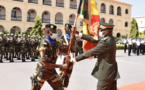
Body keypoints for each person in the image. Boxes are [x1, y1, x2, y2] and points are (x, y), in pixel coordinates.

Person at [67, 22, 120, 90]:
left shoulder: (105, 43)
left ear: (106, 31)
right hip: (112, 72)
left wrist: (73, 59)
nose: (100, 32)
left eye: (101, 30)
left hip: (105, 74)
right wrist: (78, 33)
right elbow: (93, 39)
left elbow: (89, 53)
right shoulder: (110, 38)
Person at [31, 24, 75, 90]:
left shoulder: (55, 41)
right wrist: (61, 66)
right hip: (43, 72)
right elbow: (45, 64)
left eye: (55, 32)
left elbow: (65, 49)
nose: (55, 34)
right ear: (48, 32)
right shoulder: (44, 44)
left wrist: (72, 40)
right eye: (54, 32)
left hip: (52, 72)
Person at [59, 23, 76, 90]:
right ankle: (59, 88)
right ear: (65, 29)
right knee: (62, 74)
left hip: (71, 58)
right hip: (64, 58)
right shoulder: (62, 38)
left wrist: (74, 57)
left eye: (69, 29)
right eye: (66, 29)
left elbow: (74, 49)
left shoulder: (73, 38)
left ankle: (65, 87)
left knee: (68, 75)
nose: (68, 30)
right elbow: (61, 48)